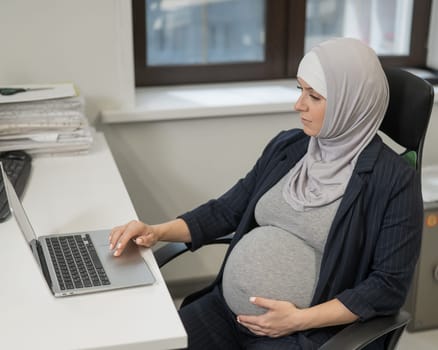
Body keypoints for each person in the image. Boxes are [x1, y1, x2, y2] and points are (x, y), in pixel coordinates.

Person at [109, 38, 423, 350]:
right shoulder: (289, 147)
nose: (298, 105)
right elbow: (226, 210)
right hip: (224, 311)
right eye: (300, 90)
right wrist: (156, 230)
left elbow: (387, 287)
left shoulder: (394, 180)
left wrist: (299, 320)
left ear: (350, 103)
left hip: (299, 335)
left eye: (314, 96)